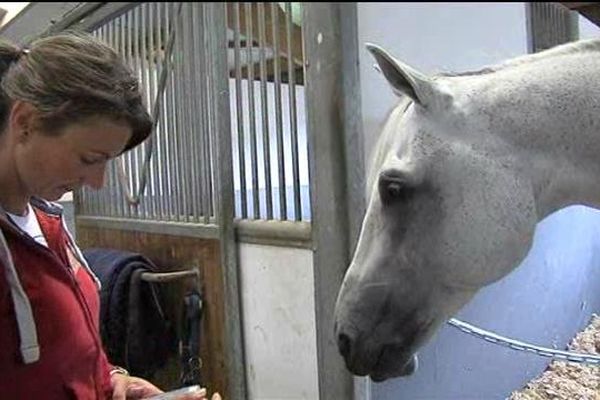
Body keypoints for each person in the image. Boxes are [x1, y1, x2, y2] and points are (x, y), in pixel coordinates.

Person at [0, 31, 220, 400]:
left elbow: (60, 357)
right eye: (89, 159)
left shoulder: (46, 223)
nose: (97, 182)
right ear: (25, 122)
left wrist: (110, 380)